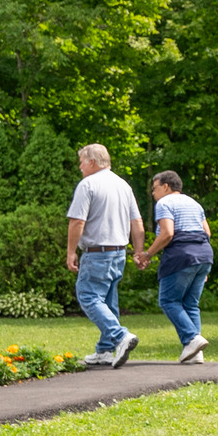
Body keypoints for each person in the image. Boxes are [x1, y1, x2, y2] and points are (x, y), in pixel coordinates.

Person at [63, 143, 144, 367]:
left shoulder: (87, 184)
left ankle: (120, 336)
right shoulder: (123, 185)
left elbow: (77, 221)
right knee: (108, 300)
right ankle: (105, 349)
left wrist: (71, 251)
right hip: (119, 252)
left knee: (87, 296)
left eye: (81, 161)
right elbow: (137, 222)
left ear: (92, 162)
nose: (79, 166)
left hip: (96, 252)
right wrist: (138, 252)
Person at [142, 170, 214, 362]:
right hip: (204, 254)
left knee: (168, 300)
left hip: (181, 255)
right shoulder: (194, 203)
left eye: (154, 188)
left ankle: (192, 338)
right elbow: (207, 233)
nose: (153, 193)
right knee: (191, 303)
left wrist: (148, 254)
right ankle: (195, 353)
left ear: (166, 186)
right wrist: (201, 265)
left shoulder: (164, 203)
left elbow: (167, 233)